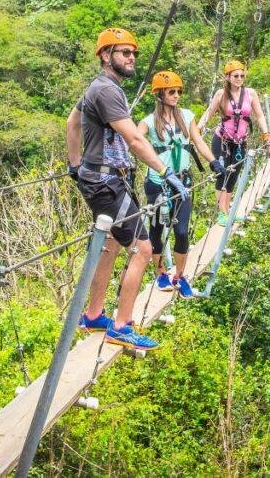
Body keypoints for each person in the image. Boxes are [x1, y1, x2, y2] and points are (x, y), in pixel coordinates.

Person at [66, 27, 190, 351]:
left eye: (133, 53)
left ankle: (93, 314)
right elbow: (135, 139)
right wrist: (166, 172)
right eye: (124, 52)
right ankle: (121, 325)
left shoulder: (102, 88)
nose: (131, 57)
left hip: (101, 180)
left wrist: (75, 165)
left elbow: (72, 121)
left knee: (110, 244)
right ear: (106, 56)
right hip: (108, 183)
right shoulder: (106, 90)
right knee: (144, 249)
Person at [138, 71, 224, 299]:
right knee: (156, 231)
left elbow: (198, 141)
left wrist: (213, 161)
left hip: (183, 183)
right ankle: (161, 274)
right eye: (171, 92)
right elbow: (135, 142)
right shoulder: (148, 122)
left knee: (182, 231)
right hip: (158, 183)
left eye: (178, 92)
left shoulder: (186, 116)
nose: (176, 95)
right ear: (159, 94)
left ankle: (180, 276)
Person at [197, 60, 270, 225]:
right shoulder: (221, 94)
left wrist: (266, 133)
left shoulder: (250, 94)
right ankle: (222, 213)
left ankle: (227, 210)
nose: (239, 78)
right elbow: (209, 113)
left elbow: (259, 115)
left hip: (240, 142)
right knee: (222, 173)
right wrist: (198, 128)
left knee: (233, 175)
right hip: (222, 140)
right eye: (236, 76)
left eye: (242, 75)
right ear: (228, 77)